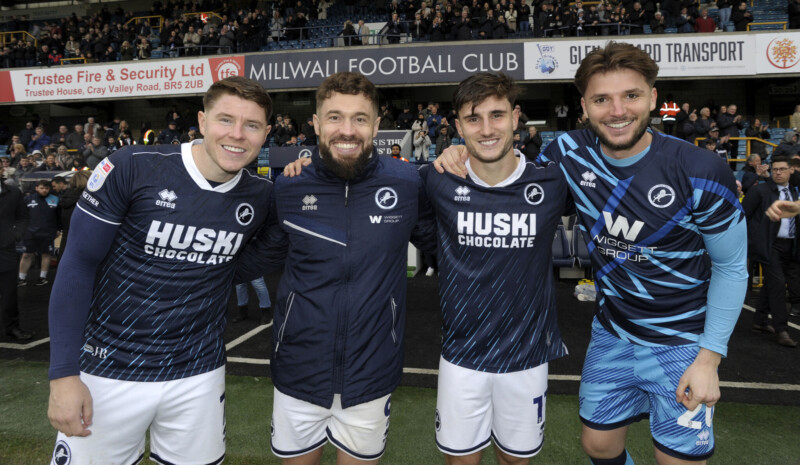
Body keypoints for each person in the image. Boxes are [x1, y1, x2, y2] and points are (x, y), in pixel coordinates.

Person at [434, 42, 748, 465]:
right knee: (598, 445)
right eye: (602, 99)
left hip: (682, 342)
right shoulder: (566, 153)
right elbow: (510, 175)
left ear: (653, 97)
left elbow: (732, 267)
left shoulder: (701, 170)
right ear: (584, 107)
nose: (617, 111)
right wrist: (458, 152)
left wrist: (709, 359)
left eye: (631, 95)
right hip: (612, 333)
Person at [46, 76, 275, 465]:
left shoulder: (261, 194)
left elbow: (257, 256)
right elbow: (78, 264)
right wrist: (63, 373)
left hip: (199, 373)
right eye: (225, 120)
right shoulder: (133, 166)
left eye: (251, 125)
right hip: (109, 367)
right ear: (202, 121)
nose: (237, 134)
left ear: (266, 134)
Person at [239, 71, 435, 465]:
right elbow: (260, 256)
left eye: (360, 118)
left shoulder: (407, 183)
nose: (347, 130)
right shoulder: (289, 186)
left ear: (376, 126)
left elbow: (446, 250)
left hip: (371, 375)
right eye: (334, 117)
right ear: (316, 123)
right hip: (297, 372)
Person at [421, 72, 568, 465]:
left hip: (527, 359)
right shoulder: (436, 180)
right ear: (458, 127)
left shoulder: (552, 182)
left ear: (516, 118)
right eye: (473, 118)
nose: (486, 129)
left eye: (497, 115)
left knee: (516, 460)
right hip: (461, 358)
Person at [741, 156, 798, 348]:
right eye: (775, 169)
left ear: (791, 170)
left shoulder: (794, 192)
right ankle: (781, 330)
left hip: (789, 245)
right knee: (779, 285)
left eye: (782, 169)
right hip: (767, 245)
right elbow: (743, 216)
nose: (778, 173)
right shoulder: (760, 191)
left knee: (772, 284)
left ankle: (760, 320)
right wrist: (753, 240)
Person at [0, 177, 30, 340]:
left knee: (9, 293)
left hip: (6, 250)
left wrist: (15, 235)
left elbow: (23, 217)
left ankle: (11, 327)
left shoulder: (14, 193)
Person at [18, 179, 59, 286]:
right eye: (42, 188)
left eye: (46, 188)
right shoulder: (27, 199)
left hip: (48, 232)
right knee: (26, 255)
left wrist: (58, 229)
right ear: (36, 188)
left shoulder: (55, 199)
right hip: (30, 232)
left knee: (46, 254)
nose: (44, 190)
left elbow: (59, 216)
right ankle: (21, 278)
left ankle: (43, 277)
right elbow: (22, 216)